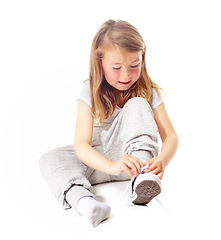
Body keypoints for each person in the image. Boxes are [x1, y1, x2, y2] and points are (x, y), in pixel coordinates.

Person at [39, 19, 178, 227]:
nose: (126, 75)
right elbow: (82, 145)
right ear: (99, 62)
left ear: (142, 59)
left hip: (134, 163)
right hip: (99, 163)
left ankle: (141, 181)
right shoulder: (88, 93)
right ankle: (85, 202)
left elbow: (171, 136)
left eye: (134, 66)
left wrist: (163, 160)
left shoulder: (149, 92)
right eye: (116, 67)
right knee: (49, 158)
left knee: (138, 103)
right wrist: (111, 167)